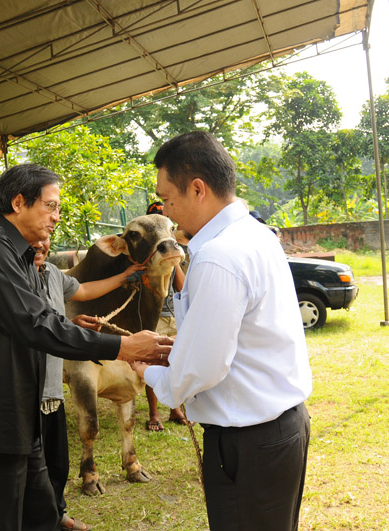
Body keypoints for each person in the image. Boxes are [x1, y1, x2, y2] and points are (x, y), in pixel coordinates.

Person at [0, 163, 172, 531]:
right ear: (19, 203)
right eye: (50, 206)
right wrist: (123, 346)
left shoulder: (25, 261)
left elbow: (42, 320)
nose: (56, 217)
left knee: (43, 516)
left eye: (58, 208)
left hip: (22, 418)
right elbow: (35, 325)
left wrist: (79, 328)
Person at [133, 132, 312, 530]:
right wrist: (176, 349)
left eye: (168, 198)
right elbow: (238, 334)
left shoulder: (219, 255)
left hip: (250, 441)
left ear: (198, 188)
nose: (167, 210)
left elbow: (202, 368)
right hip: (274, 430)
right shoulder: (253, 236)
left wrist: (145, 368)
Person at [34, 236, 142, 531]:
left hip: (53, 388)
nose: (40, 245)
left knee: (57, 461)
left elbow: (82, 290)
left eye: (46, 241)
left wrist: (123, 276)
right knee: (30, 461)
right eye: (33, 240)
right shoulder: (14, 281)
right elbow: (33, 325)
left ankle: (56, 515)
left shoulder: (54, 275)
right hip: (27, 385)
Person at [143, 201, 190, 432]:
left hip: (175, 314)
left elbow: (182, 288)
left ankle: (174, 409)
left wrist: (174, 261)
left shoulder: (179, 248)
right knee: (154, 361)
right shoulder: (143, 252)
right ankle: (153, 414)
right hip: (155, 317)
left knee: (176, 361)